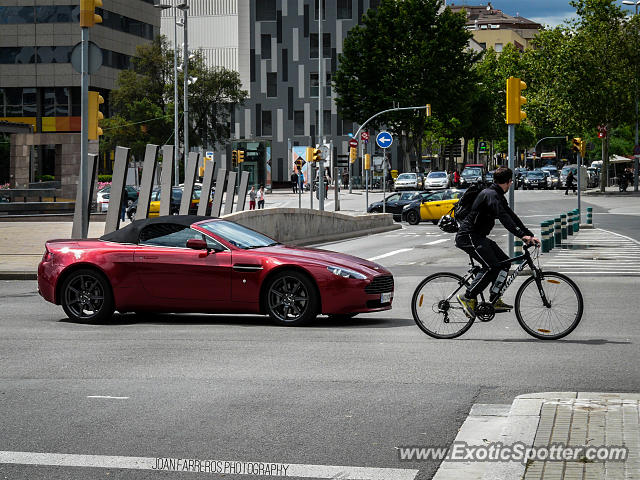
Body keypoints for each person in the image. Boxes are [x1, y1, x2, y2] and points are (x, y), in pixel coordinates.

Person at [455, 167, 540, 319]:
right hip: (468, 236)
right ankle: (467, 297)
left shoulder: (497, 196)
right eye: (510, 182)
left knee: (504, 263)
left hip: (479, 236)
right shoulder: (491, 195)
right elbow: (503, 217)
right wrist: (522, 236)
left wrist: (529, 234)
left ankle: (494, 299)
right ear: (509, 182)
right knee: (491, 267)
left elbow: (511, 215)